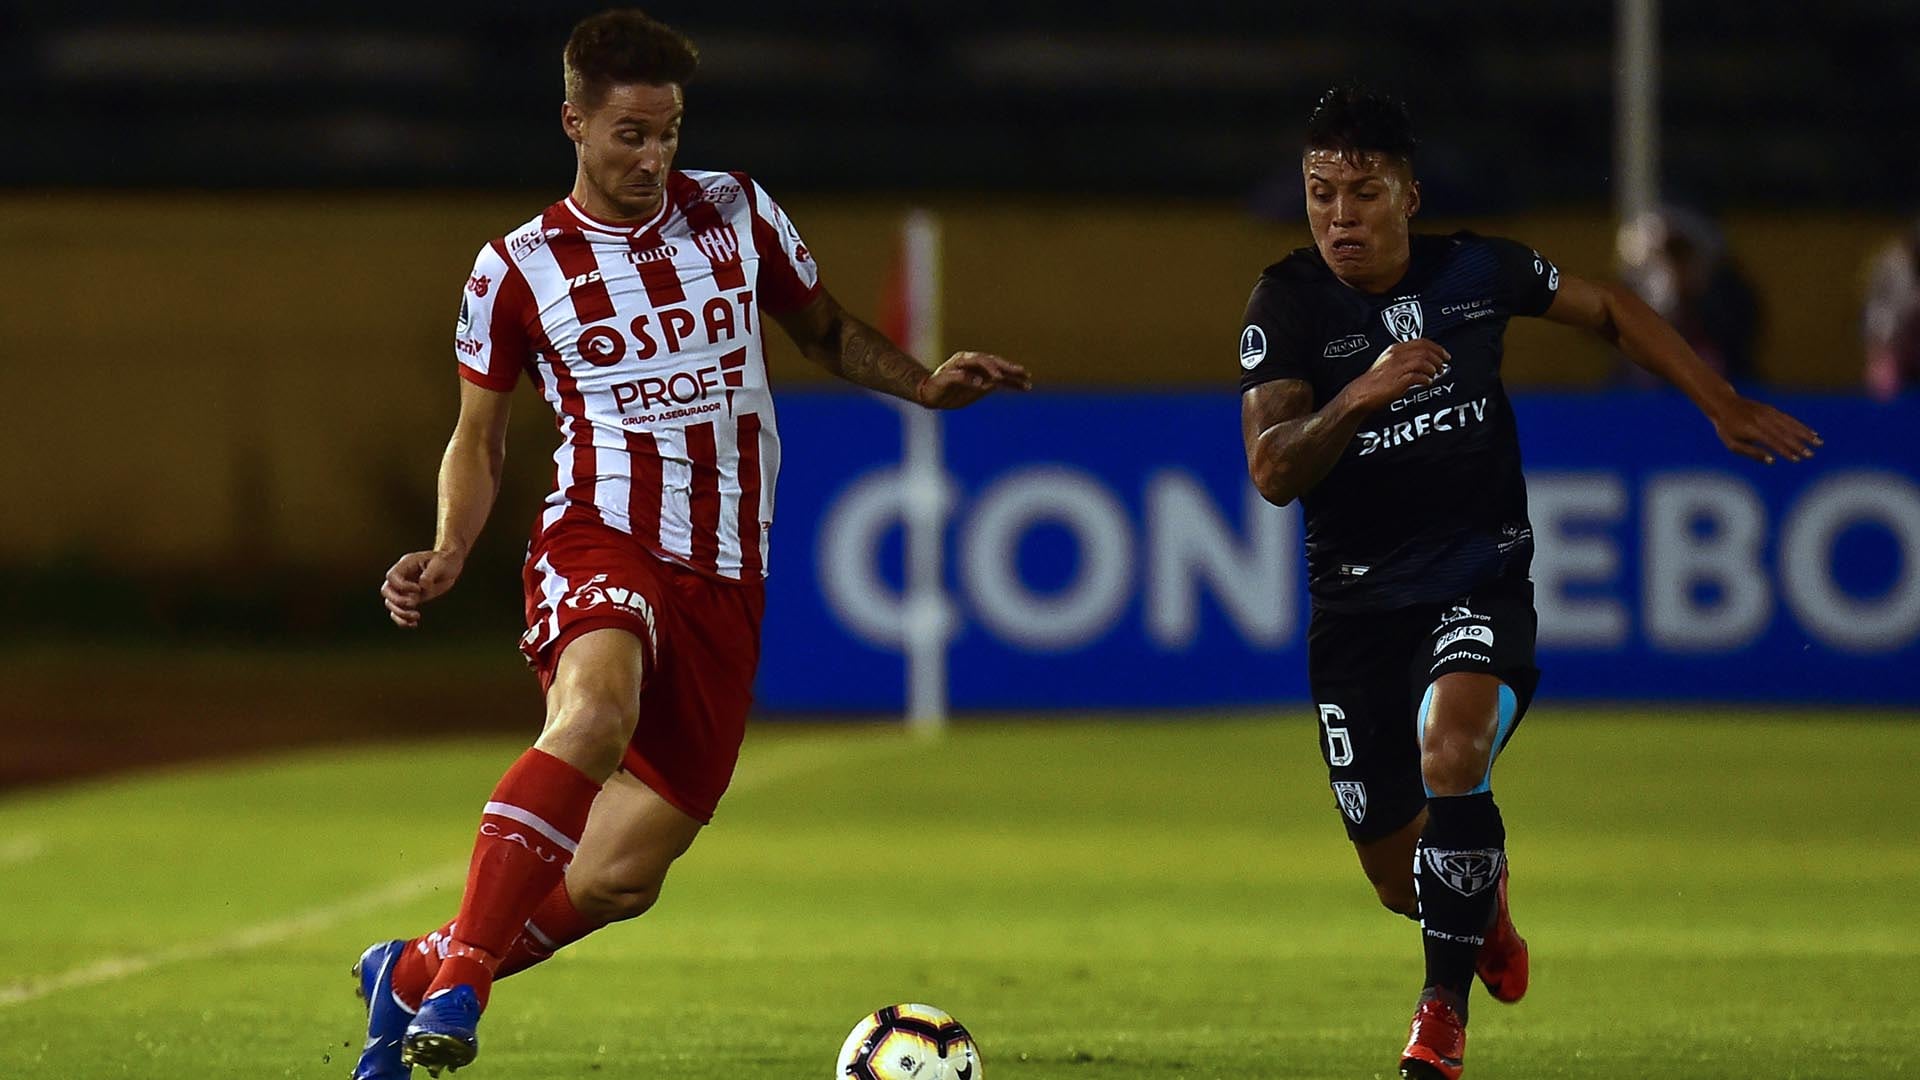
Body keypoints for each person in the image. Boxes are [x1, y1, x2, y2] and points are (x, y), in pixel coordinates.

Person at [356, 10, 1030, 1078]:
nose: (653, 156)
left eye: (667, 132)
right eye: (630, 134)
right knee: (595, 709)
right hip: (600, 532)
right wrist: (448, 548)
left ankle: (409, 971)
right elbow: (478, 438)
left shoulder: (737, 211)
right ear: (574, 121)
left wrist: (923, 382)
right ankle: (464, 987)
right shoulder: (516, 269)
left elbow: (823, 328)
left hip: (725, 570)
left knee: (625, 874)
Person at [1236, 86, 1819, 1080]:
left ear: (1408, 196)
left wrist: (1717, 403)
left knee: (1454, 753)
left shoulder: (1478, 269)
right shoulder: (1287, 303)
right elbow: (1274, 471)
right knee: (1400, 877)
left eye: (1362, 193)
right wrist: (1362, 393)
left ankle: (1439, 1019)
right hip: (1356, 612)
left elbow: (1608, 309)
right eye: (1321, 193)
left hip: (1478, 577)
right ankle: (1483, 903)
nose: (1339, 215)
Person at [1613, 205, 1763, 386]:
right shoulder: (1623, 383)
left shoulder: (1728, 312)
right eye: (1657, 258)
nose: (1669, 269)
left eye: (1678, 255)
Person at [1863, 219, 1920, 400]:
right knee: (1882, 376)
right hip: (1898, 354)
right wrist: (1879, 354)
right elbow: (1879, 322)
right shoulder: (1893, 265)